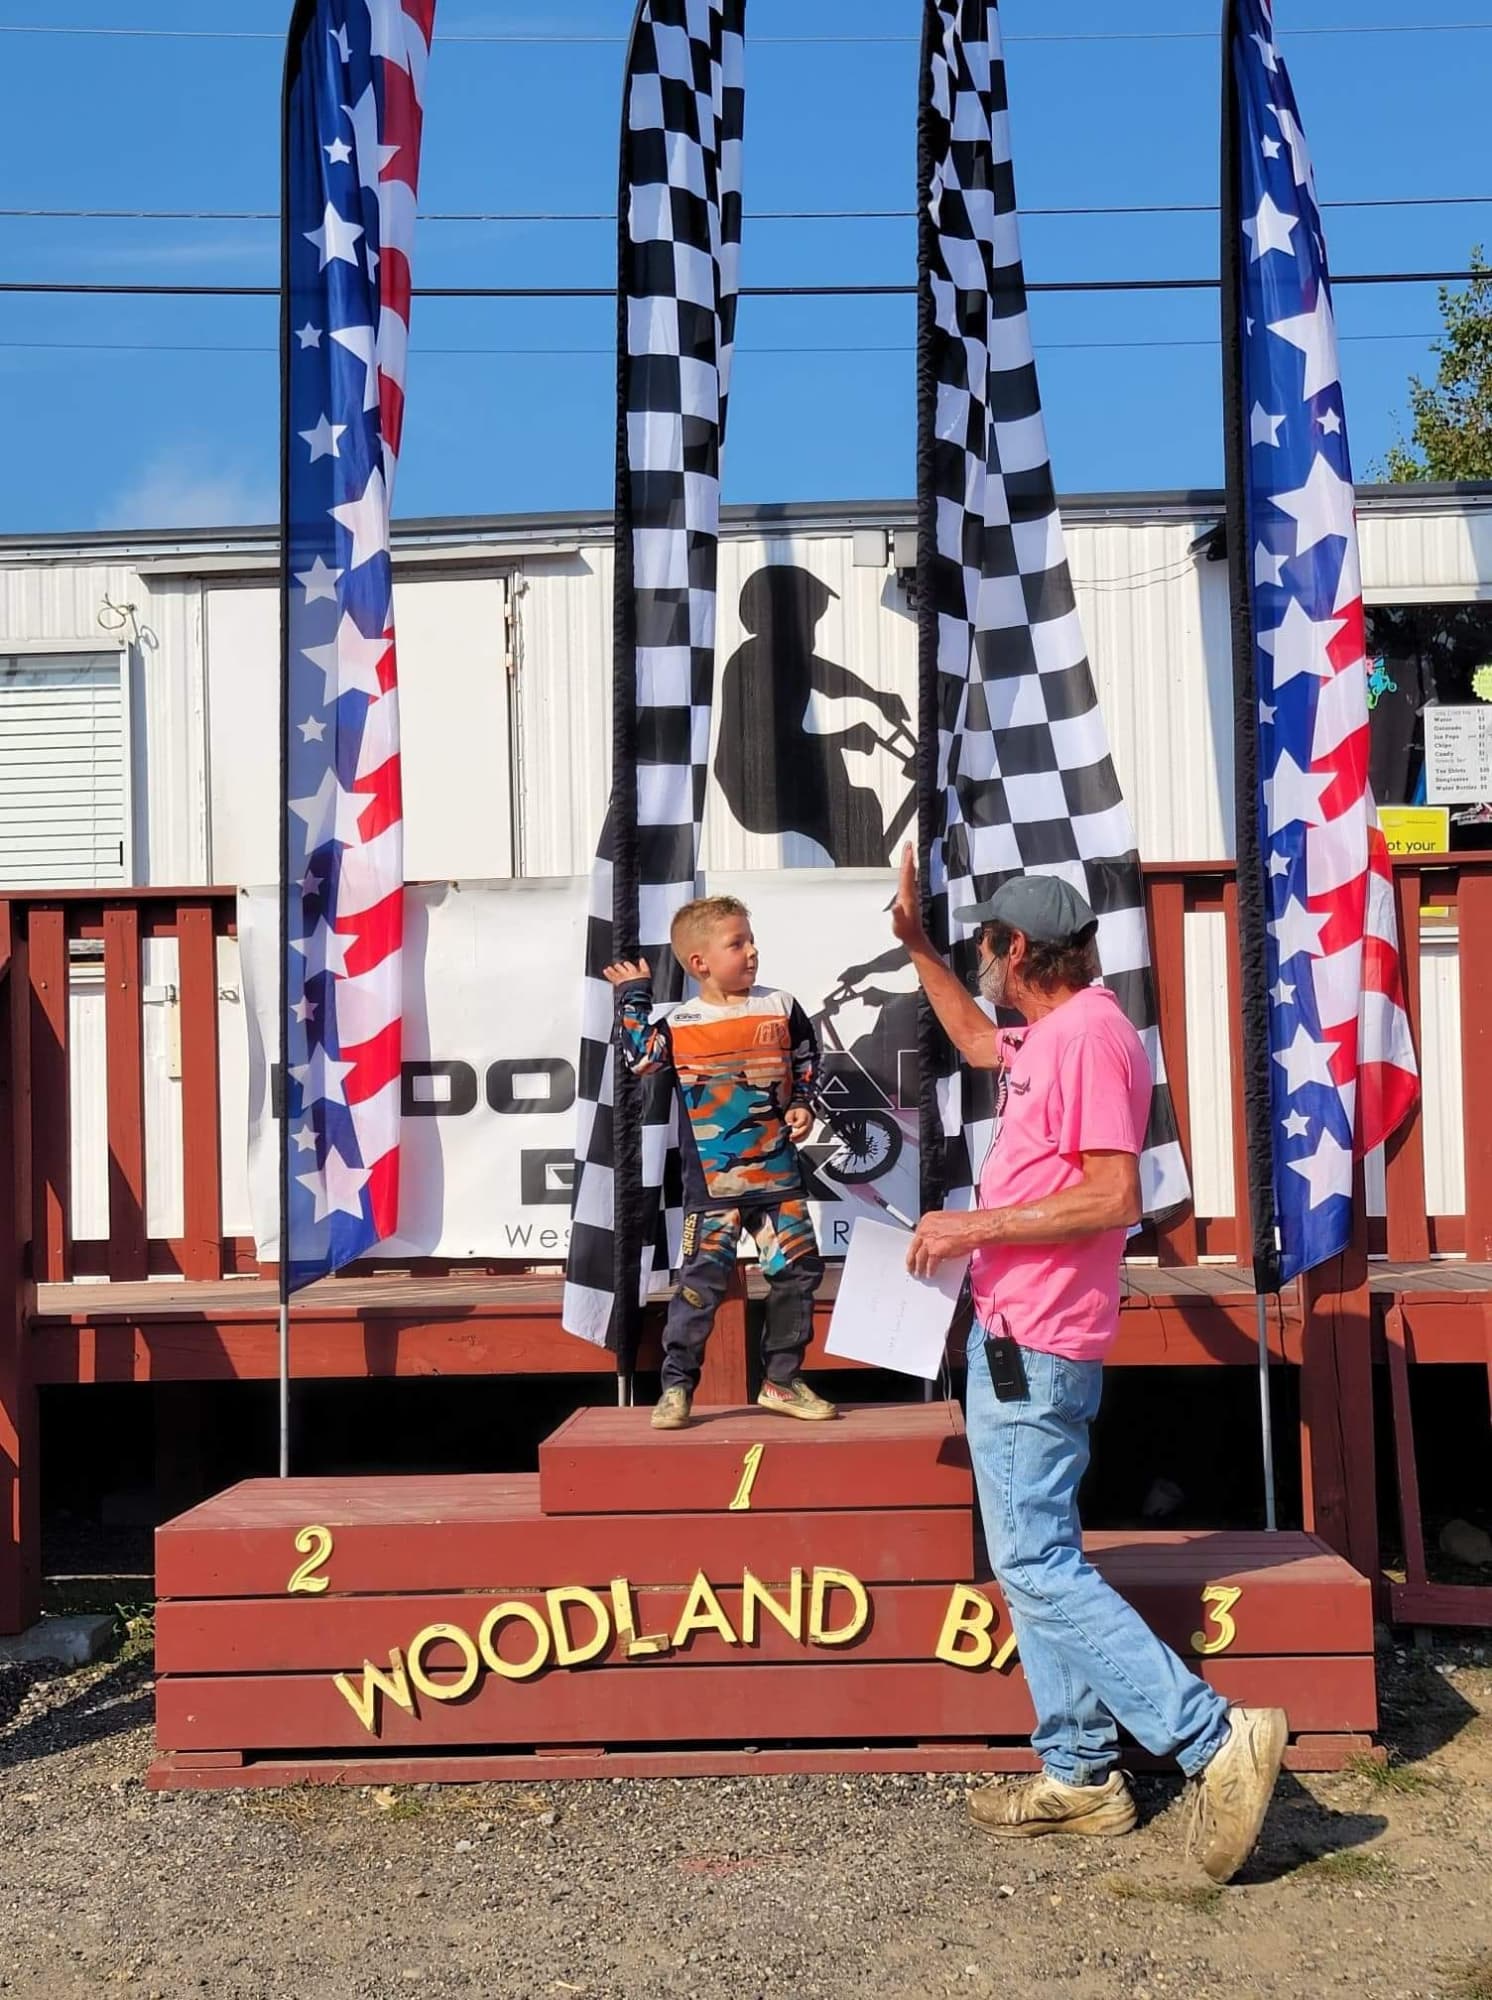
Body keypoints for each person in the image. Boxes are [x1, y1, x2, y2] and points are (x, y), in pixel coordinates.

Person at [889, 847, 1286, 1886]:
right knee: (1037, 1553)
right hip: (1015, 1332)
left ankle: (1211, 1737)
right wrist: (919, 947)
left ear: (1018, 948)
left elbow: (1116, 1196)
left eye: (984, 943)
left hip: (1037, 1340)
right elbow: (977, 1039)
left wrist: (974, 1223)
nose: (982, 957)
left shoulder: (1094, 1037)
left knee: (1033, 1563)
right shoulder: (1052, 1032)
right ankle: (1078, 1773)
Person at [605, 895, 837, 1432]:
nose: (752, 951)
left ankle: (782, 1381)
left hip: (778, 1177)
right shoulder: (680, 1022)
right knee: (700, 1285)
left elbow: (808, 1059)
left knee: (798, 1272)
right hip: (714, 1186)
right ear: (699, 962)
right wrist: (633, 997)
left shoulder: (780, 1005)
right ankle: (676, 1387)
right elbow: (640, 1059)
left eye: (752, 940)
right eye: (737, 944)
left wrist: (803, 1104)